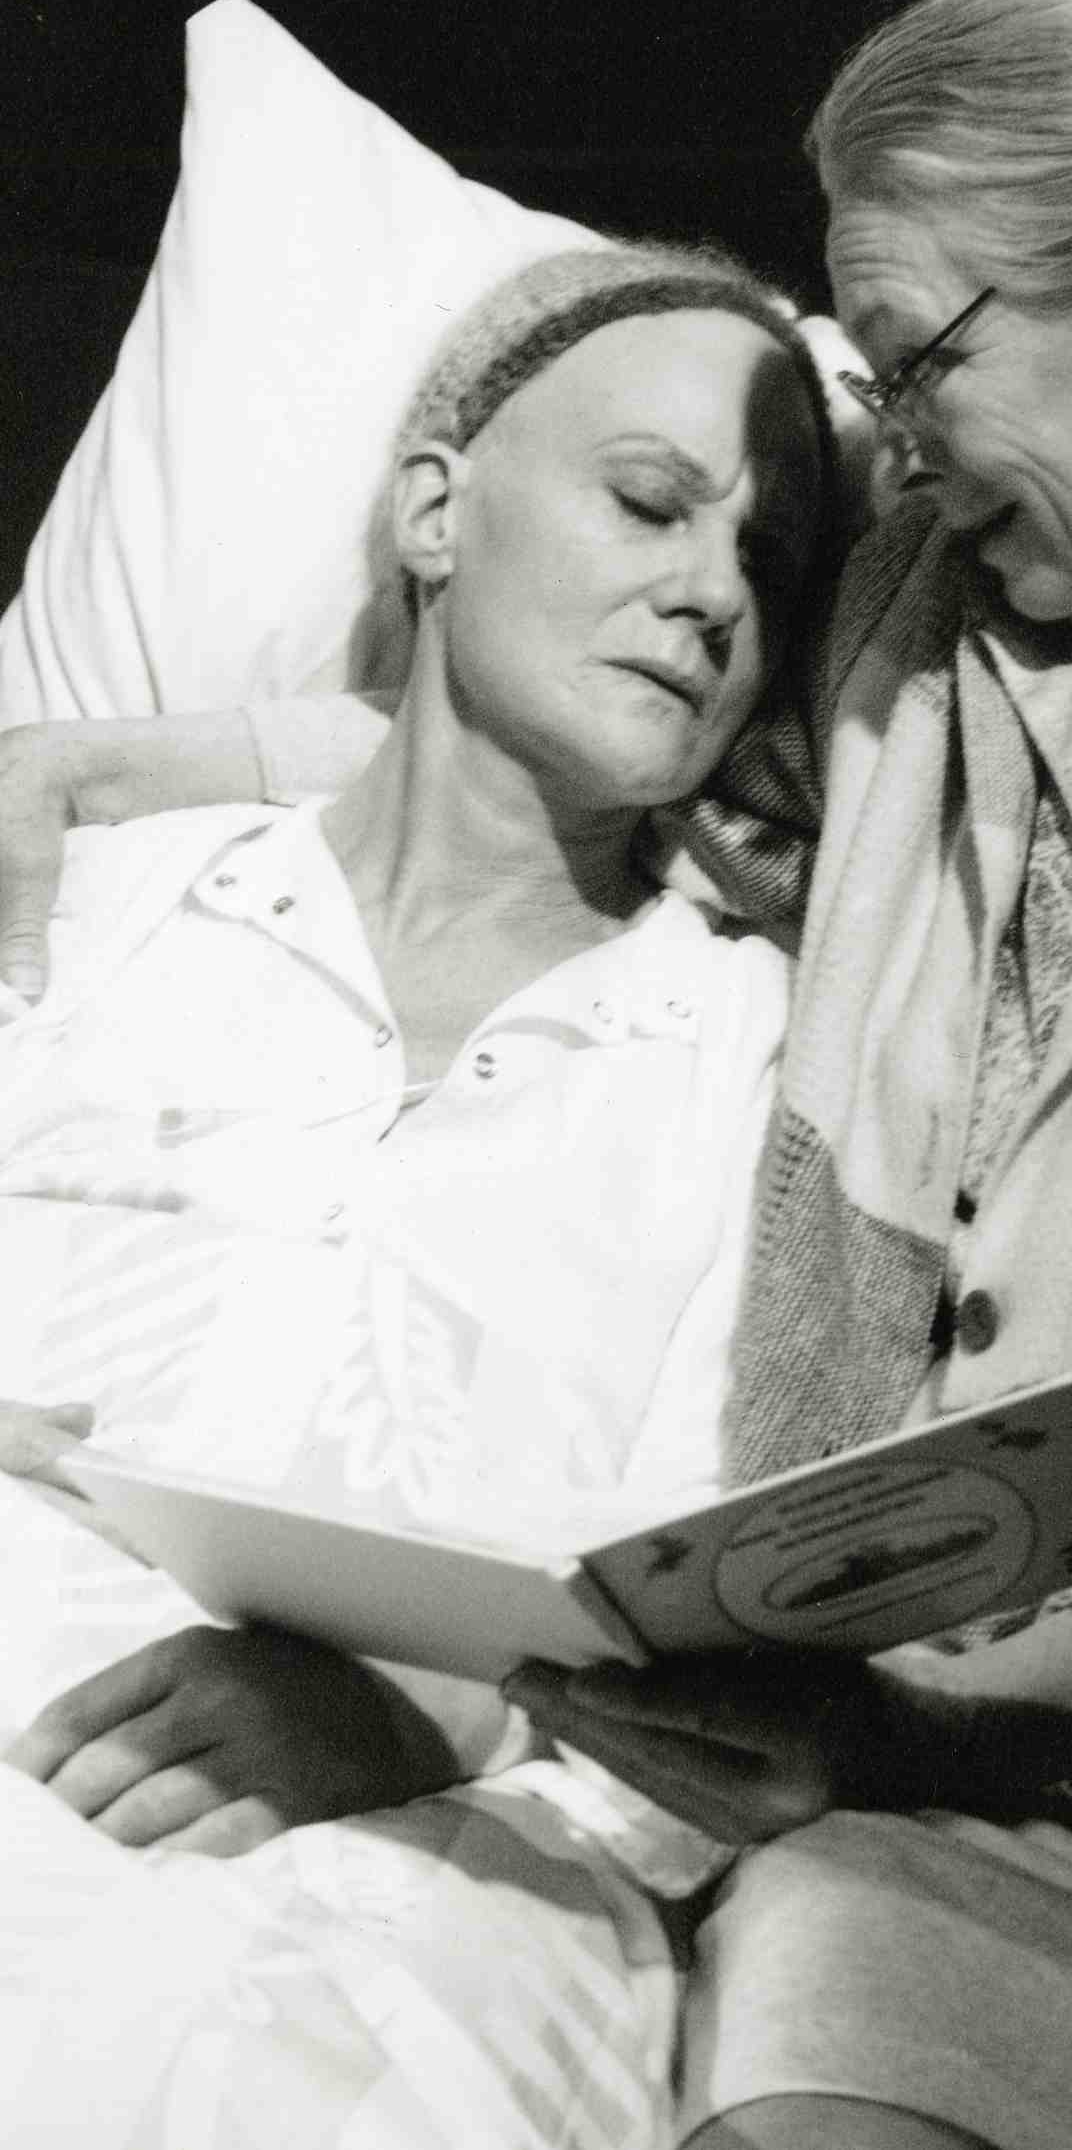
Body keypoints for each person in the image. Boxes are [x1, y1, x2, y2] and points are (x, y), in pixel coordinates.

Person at [4, 0, 1072, 2150]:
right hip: (793, 1687)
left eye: (918, 362)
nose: (894, 453)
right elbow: (575, 724)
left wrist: (918, 1704)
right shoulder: (929, 599)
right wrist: (122, 764)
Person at [0, 237, 841, 2144]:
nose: (712, 590)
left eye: (771, 560)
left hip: (411, 1885)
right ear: (435, 512)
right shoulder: (87, 907)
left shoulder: (767, 1071)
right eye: (649, 502)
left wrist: (417, 1709)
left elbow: (737, 1623)